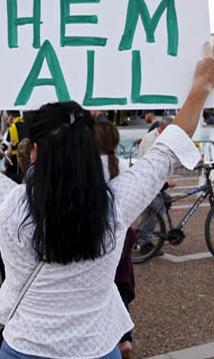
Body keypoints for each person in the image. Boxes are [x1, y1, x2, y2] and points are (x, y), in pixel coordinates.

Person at [0, 37, 214, 358]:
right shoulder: (115, 205)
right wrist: (201, 87)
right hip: (96, 346)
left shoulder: (10, 204)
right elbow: (168, 149)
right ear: (89, 150)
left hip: (24, 346)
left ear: (34, 151)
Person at [93, 119, 137, 359]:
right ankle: (125, 337)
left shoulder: (86, 167)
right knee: (121, 283)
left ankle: (114, 336)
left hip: (98, 234)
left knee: (103, 287)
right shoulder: (121, 165)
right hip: (122, 232)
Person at [134, 117, 177, 256]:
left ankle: (141, 235)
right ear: (164, 128)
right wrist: (165, 182)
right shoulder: (152, 139)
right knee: (155, 208)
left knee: (164, 202)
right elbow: (151, 165)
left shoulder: (156, 136)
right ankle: (144, 241)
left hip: (151, 181)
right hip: (148, 182)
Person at [3, 110, 25, 179]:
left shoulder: (13, 128)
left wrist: (6, 163)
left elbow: (10, 152)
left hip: (16, 166)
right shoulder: (26, 124)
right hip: (26, 164)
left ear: (10, 116)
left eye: (7, 117)